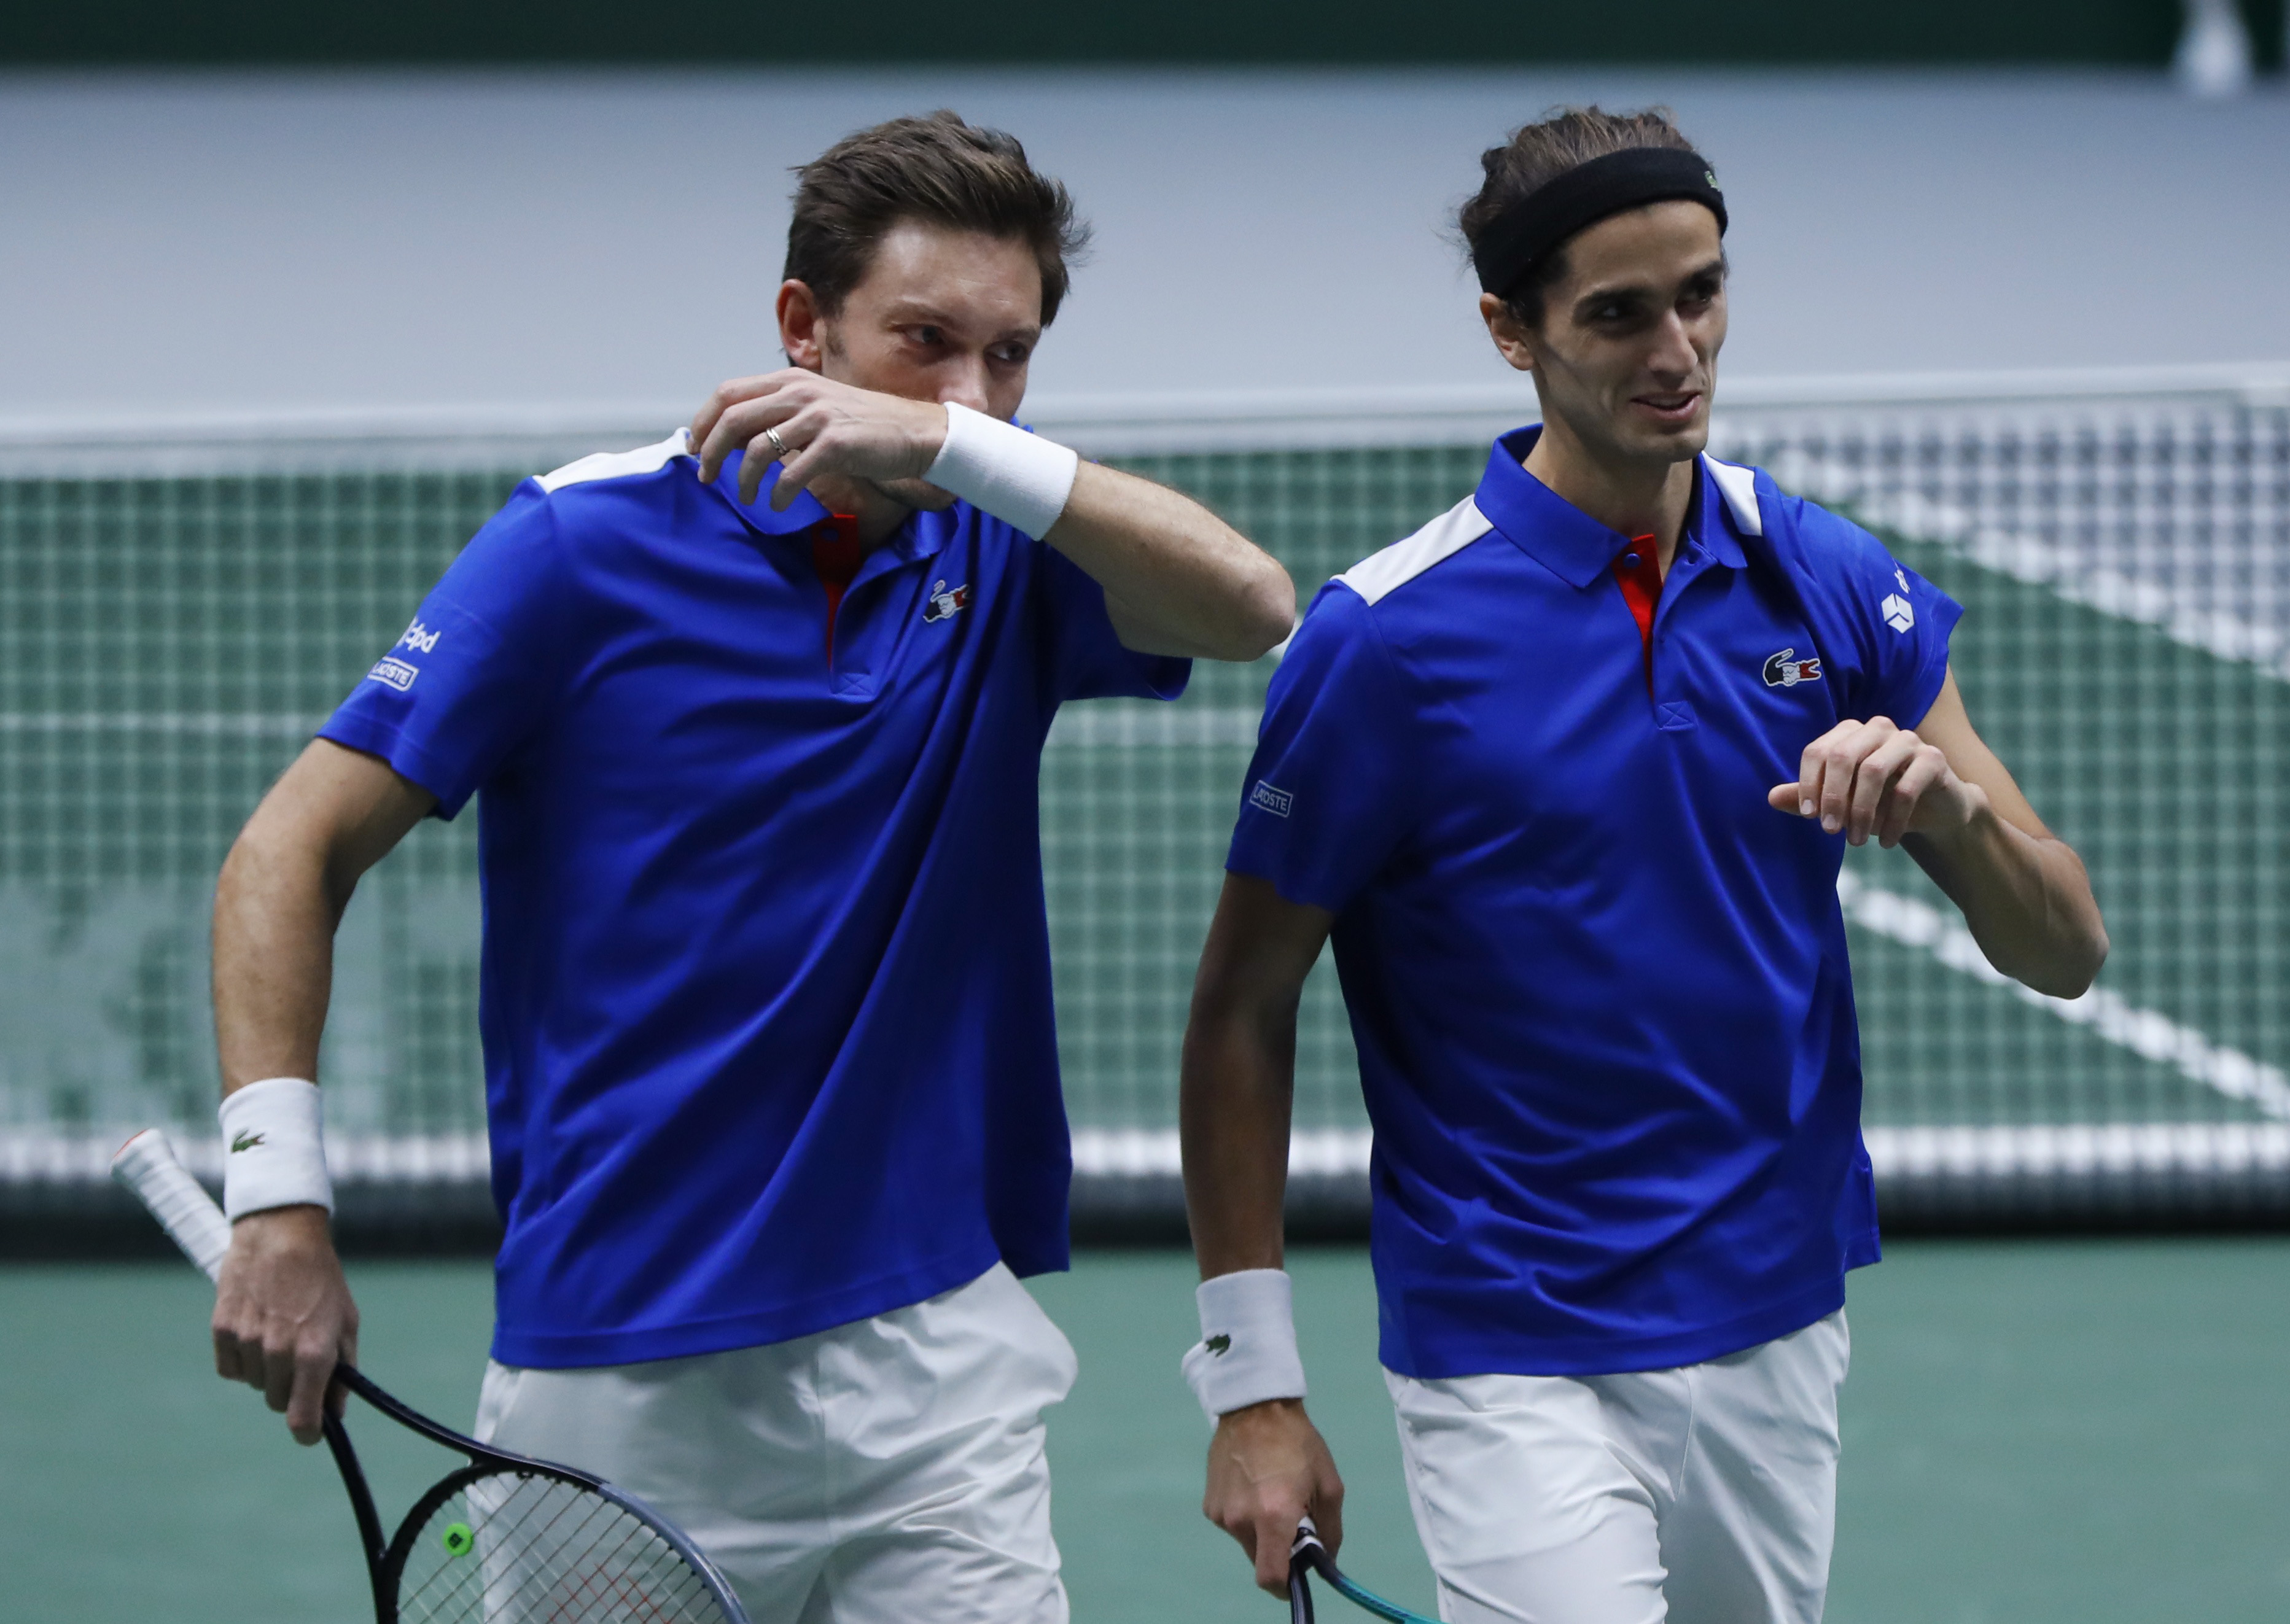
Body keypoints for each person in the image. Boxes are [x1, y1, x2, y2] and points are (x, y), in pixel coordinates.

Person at [206, 110, 1293, 1623]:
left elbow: (1252, 605)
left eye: (1010, 356)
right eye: (924, 342)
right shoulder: (577, 547)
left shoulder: (1005, 544)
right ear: (803, 328)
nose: (973, 392)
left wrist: (949, 446)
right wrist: (276, 1201)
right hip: (625, 1372)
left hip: (938, 1361)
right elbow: (287, 850)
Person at [1177, 107, 2108, 1624]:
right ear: (1511, 331)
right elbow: (1241, 1006)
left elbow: (2062, 948)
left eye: (1700, 294)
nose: (1678, 352)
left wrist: (1949, 815)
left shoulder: (1826, 581)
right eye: (1618, 314)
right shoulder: (1386, 643)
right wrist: (1252, 1380)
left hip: (1773, 1313)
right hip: (1508, 1333)